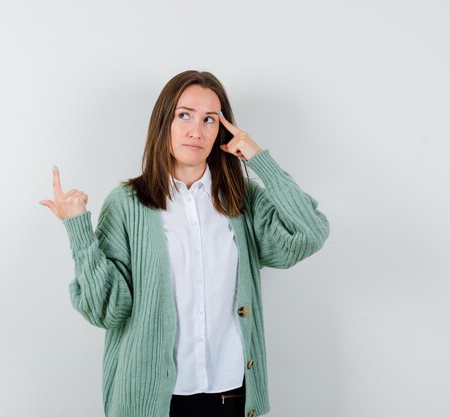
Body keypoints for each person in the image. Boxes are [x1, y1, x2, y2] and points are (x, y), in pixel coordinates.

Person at [40, 70, 330, 417]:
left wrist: (260, 161)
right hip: (151, 401)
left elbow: (310, 232)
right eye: (184, 115)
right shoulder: (126, 204)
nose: (197, 131)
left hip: (232, 397)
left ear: (222, 131)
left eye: (210, 119)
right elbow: (106, 309)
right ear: (164, 122)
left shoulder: (243, 200)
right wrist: (78, 230)